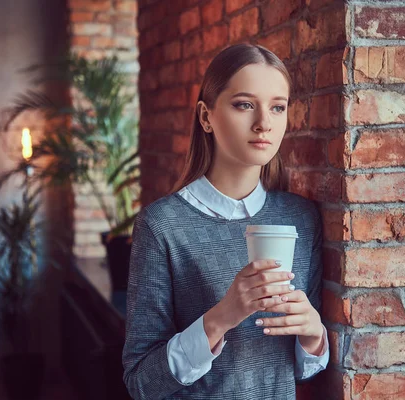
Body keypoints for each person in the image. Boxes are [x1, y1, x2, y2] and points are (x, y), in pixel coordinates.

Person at [122, 43, 329, 399]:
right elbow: (142, 381)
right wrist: (222, 316)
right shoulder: (162, 226)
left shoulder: (301, 218)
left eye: (277, 107)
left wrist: (314, 336)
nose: (264, 122)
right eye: (244, 105)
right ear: (206, 117)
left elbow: (300, 371)